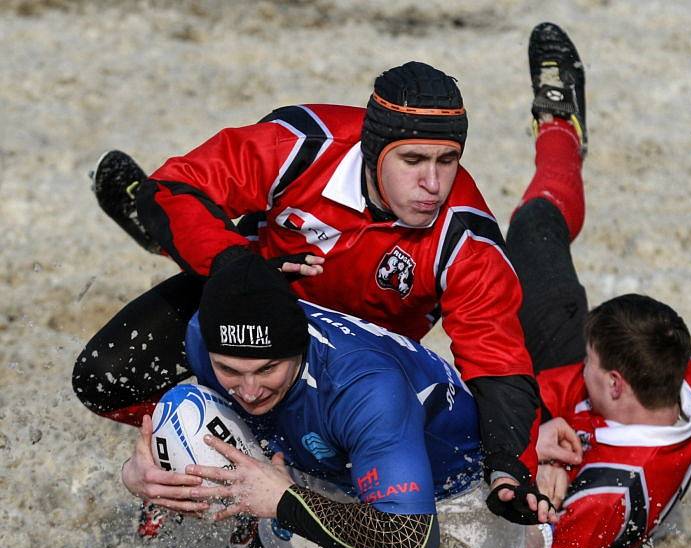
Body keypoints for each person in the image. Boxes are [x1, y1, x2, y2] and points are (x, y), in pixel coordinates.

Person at [75, 57, 562, 513]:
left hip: (346, 363)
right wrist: (241, 268)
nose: (433, 183)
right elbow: (178, 185)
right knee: (102, 379)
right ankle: (180, 440)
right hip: (249, 299)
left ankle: (231, 450)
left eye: (447, 160)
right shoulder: (302, 144)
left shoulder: (467, 238)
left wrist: (510, 469)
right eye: (413, 160)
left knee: (296, 478)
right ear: (373, 151)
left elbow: (496, 360)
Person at [122, 253, 557, 548]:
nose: (249, 391)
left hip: (448, 481)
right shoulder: (203, 334)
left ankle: (530, 539)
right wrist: (141, 473)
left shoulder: (366, 386)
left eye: (268, 369)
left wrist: (283, 500)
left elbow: (411, 545)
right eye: (230, 371)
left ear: (300, 346)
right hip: (317, 467)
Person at [499, 23, 691, 548]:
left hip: (550, 446)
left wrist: (535, 463)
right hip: (564, 413)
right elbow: (587, 389)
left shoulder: (604, 496)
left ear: (615, 383)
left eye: (592, 363)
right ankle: (560, 125)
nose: (586, 363)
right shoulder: (686, 378)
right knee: (533, 227)